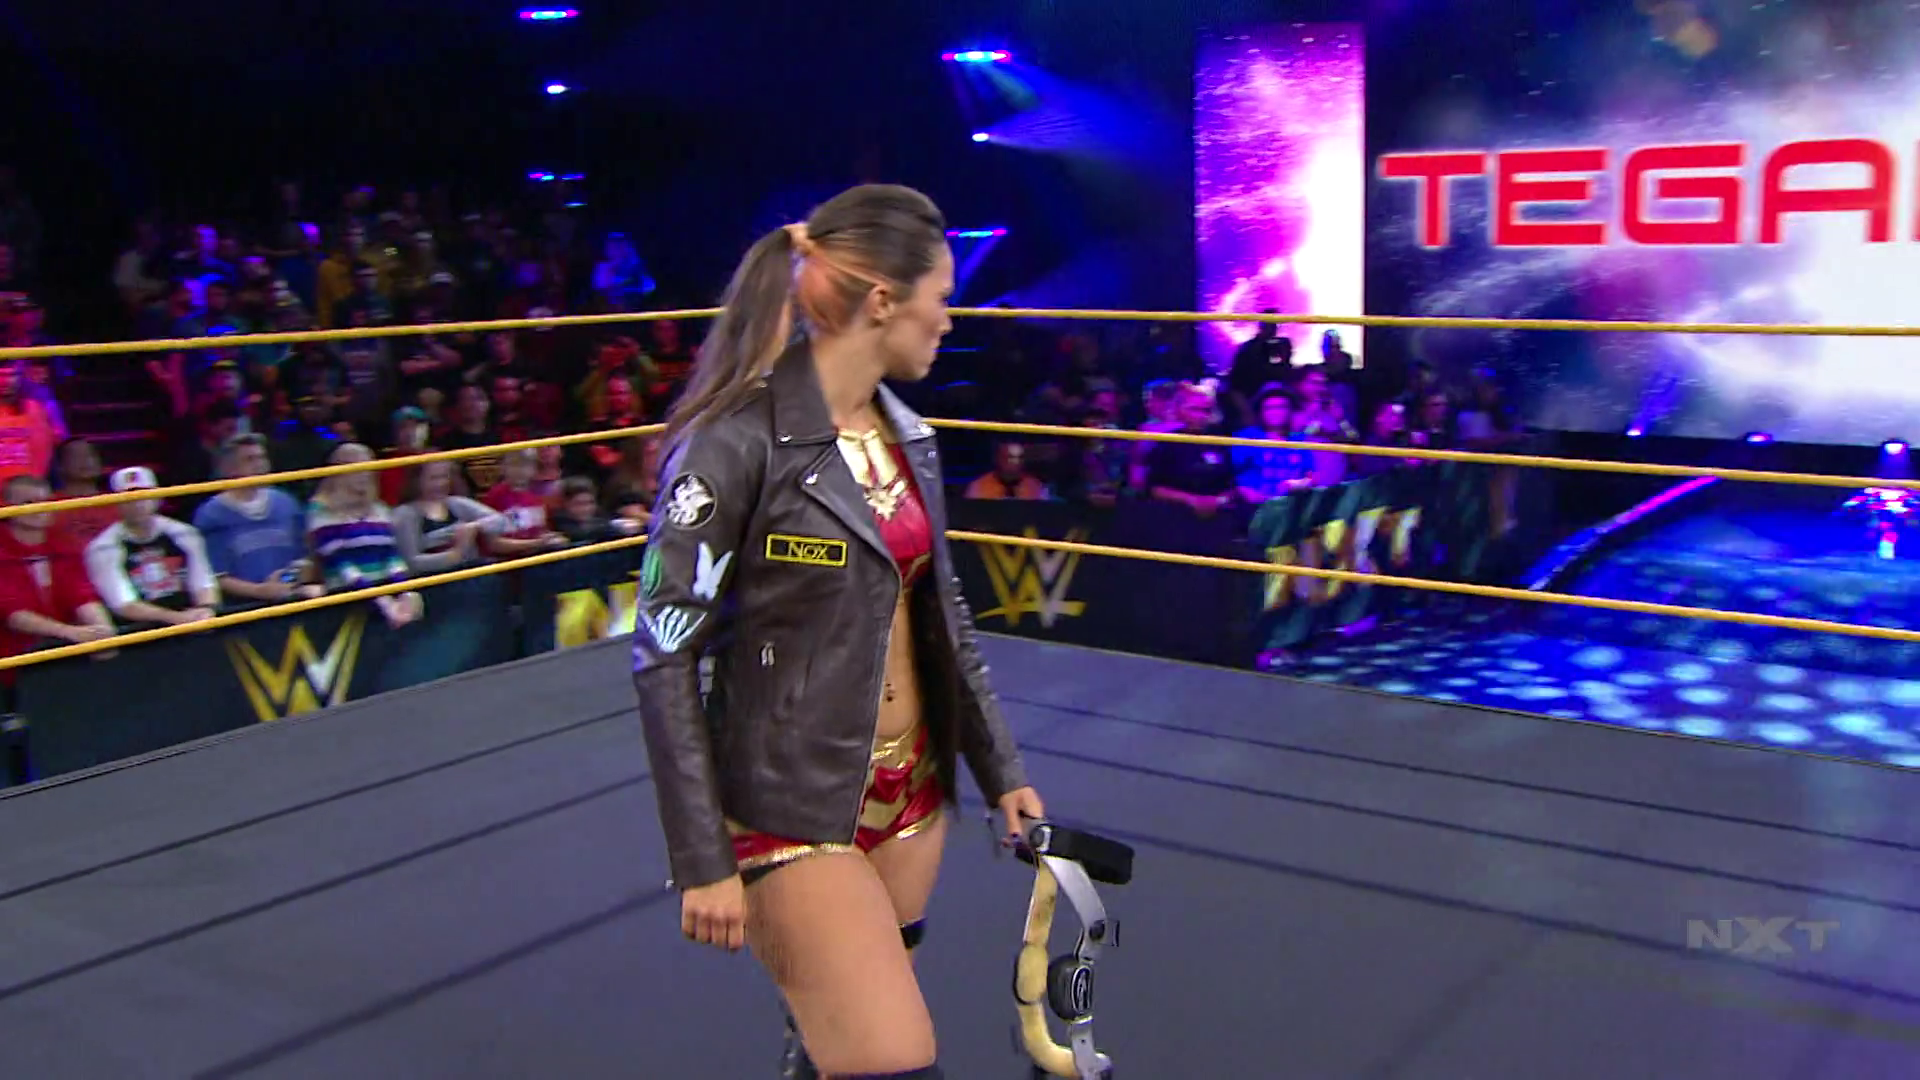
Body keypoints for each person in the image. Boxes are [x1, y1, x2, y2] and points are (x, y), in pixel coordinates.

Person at [632, 184, 1044, 1080]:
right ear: (883, 301)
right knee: (895, 1059)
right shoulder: (732, 442)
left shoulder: (910, 436)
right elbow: (664, 654)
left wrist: (1000, 769)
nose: (949, 320)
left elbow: (943, 616)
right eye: (941, 297)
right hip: (789, 803)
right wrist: (700, 855)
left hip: (912, 792)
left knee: (834, 1052)